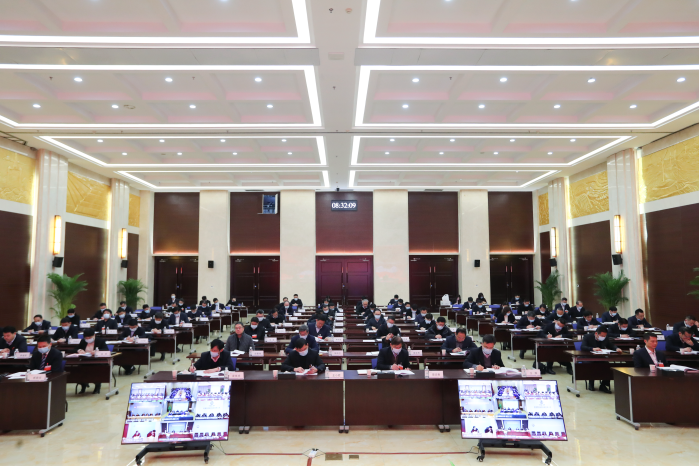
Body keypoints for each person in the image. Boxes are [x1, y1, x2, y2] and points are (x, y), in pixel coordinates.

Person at [581, 327, 621, 393]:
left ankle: (603, 385)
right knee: (592, 365)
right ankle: (591, 383)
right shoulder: (587, 336)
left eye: (604, 336)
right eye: (602, 336)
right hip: (589, 357)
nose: (603, 337)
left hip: (600, 357)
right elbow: (583, 347)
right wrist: (592, 349)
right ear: (596, 333)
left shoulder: (605, 338)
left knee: (609, 367)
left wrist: (616, 348)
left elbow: (610, 345)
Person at [77, 329, 108, 393]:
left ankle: (97, 386)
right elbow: (75, 349)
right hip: (85, 361)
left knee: (95, 369)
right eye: (86, 338)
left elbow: (106, 349)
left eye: (89, 337)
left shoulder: (100, 341)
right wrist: (79, 350)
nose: (88, 339)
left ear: (94, 335)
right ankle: (83, 385)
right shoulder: (83, 341)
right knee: (79, 369)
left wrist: (97, 351)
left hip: (97, 361)